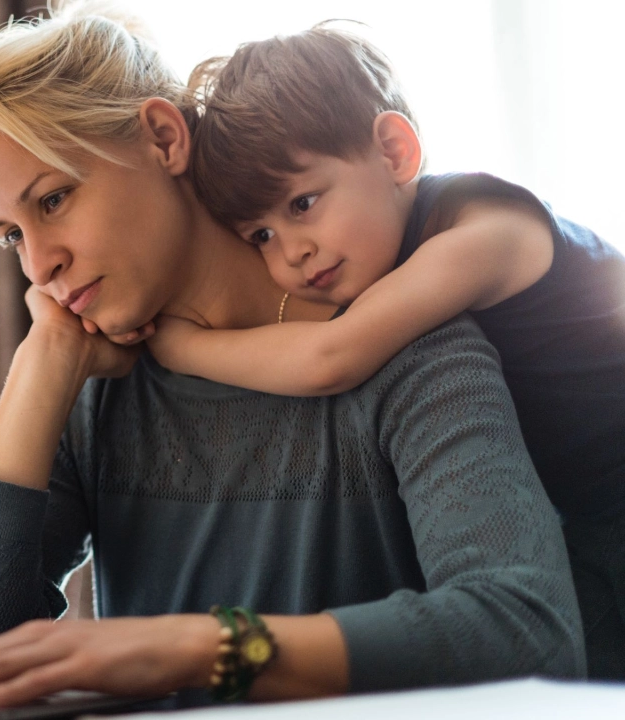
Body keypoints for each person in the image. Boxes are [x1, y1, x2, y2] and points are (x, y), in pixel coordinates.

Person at [0, 2, 583, 709]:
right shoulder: (94, 386)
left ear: (164, 138)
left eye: (52, 200)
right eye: (11, 236)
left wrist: (205, 648)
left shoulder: (411, 346)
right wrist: (41, 361)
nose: (40, 266)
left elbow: (529, 630)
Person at [148, 25, 625, 679]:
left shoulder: (484, 231)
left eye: (304, 203)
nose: (291, 252)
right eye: (260, 233)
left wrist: (181, 345)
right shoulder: (382, 259)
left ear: (396, 152)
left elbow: (330, 358)